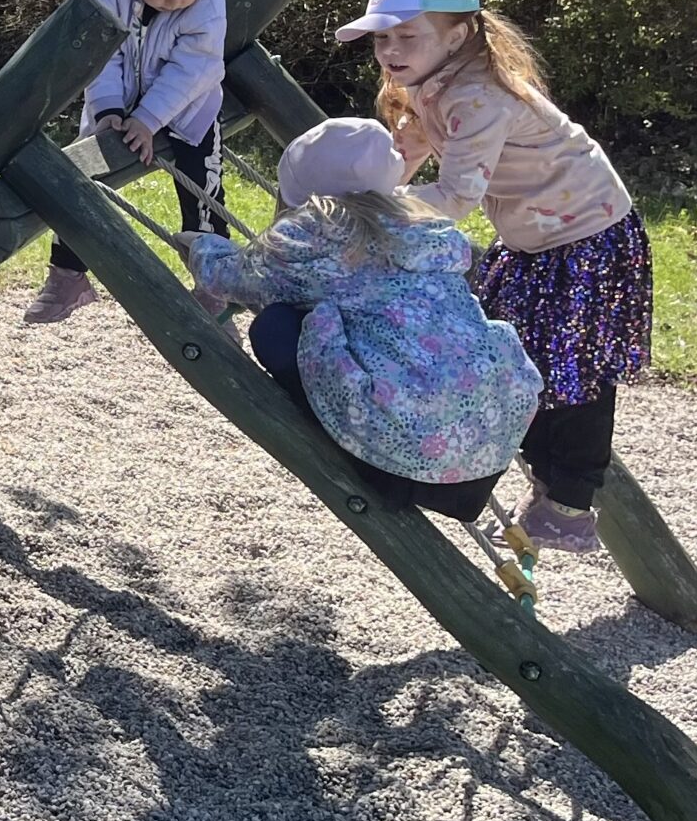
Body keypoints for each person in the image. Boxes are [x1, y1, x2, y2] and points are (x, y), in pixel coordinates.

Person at [337, 0, 649, 553]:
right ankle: (544, 484)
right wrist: (374, 187)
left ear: (457, 37)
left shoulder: (478, 97)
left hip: (588, 238)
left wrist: (369, 211)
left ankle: (570, 506)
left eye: (407, 36)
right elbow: (410, 155)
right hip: (535, 241)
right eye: (382, 38)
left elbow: (456, 198)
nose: (391, 50)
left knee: (574, 368)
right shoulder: (430, 83)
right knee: (509, 358)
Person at [183, 118, 543, 522]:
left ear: (300, 191)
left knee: (275, 326)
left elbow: (234, 279)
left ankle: (340, 432)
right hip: (488, 450)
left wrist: (201, 246)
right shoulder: (426, 231)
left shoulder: (311, 237)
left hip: (395, 452)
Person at [24, 0, 230, 326]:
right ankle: (68, 274)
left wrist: (149, 120)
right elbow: (100, 55)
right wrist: (108, 110)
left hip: (187, 108)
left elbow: (192, 69)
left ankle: (215, 282)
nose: (171, 1)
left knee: (203, 188)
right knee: (83, 178)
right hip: (114, 102)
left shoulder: (209, 5)